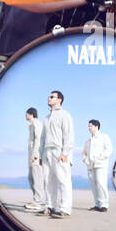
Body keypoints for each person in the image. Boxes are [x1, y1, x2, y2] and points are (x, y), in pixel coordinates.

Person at [41, 90, 74, 218]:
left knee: (63, 180)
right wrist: (40, 154)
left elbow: (68, 136)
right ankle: (50, 206)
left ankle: (65, 209)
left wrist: (65, 153)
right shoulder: (46, 118)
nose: (49, 98)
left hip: (59, 151)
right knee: (48, 180)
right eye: (49, 96)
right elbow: (42, 138)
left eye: (52, 97)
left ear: (59, 100)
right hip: (46, 152)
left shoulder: (64, 115)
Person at [82, 119, 113, 211]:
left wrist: (100, 158)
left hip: (101, 165)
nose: (89, 128)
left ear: (96, 127)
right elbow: (83, 153)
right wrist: (86, 160)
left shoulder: (104, 137)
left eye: (90, 126)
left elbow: (108, 149)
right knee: (93, 185)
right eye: (88, 126)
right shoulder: (88, 141)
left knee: (101, 183)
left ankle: (104, 205)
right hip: (90, 166)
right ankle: (97, 204)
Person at [25, 106, 47, 211]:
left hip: (36, 156)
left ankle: (38, 201)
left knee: (37, 178)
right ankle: (36, 199)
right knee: (31, 177)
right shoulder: (32, 125)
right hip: (32, 156)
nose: (26, 116)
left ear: (31, 114)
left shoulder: (37, 124)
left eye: (27, 114)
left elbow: (39, 140)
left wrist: (35, 155)